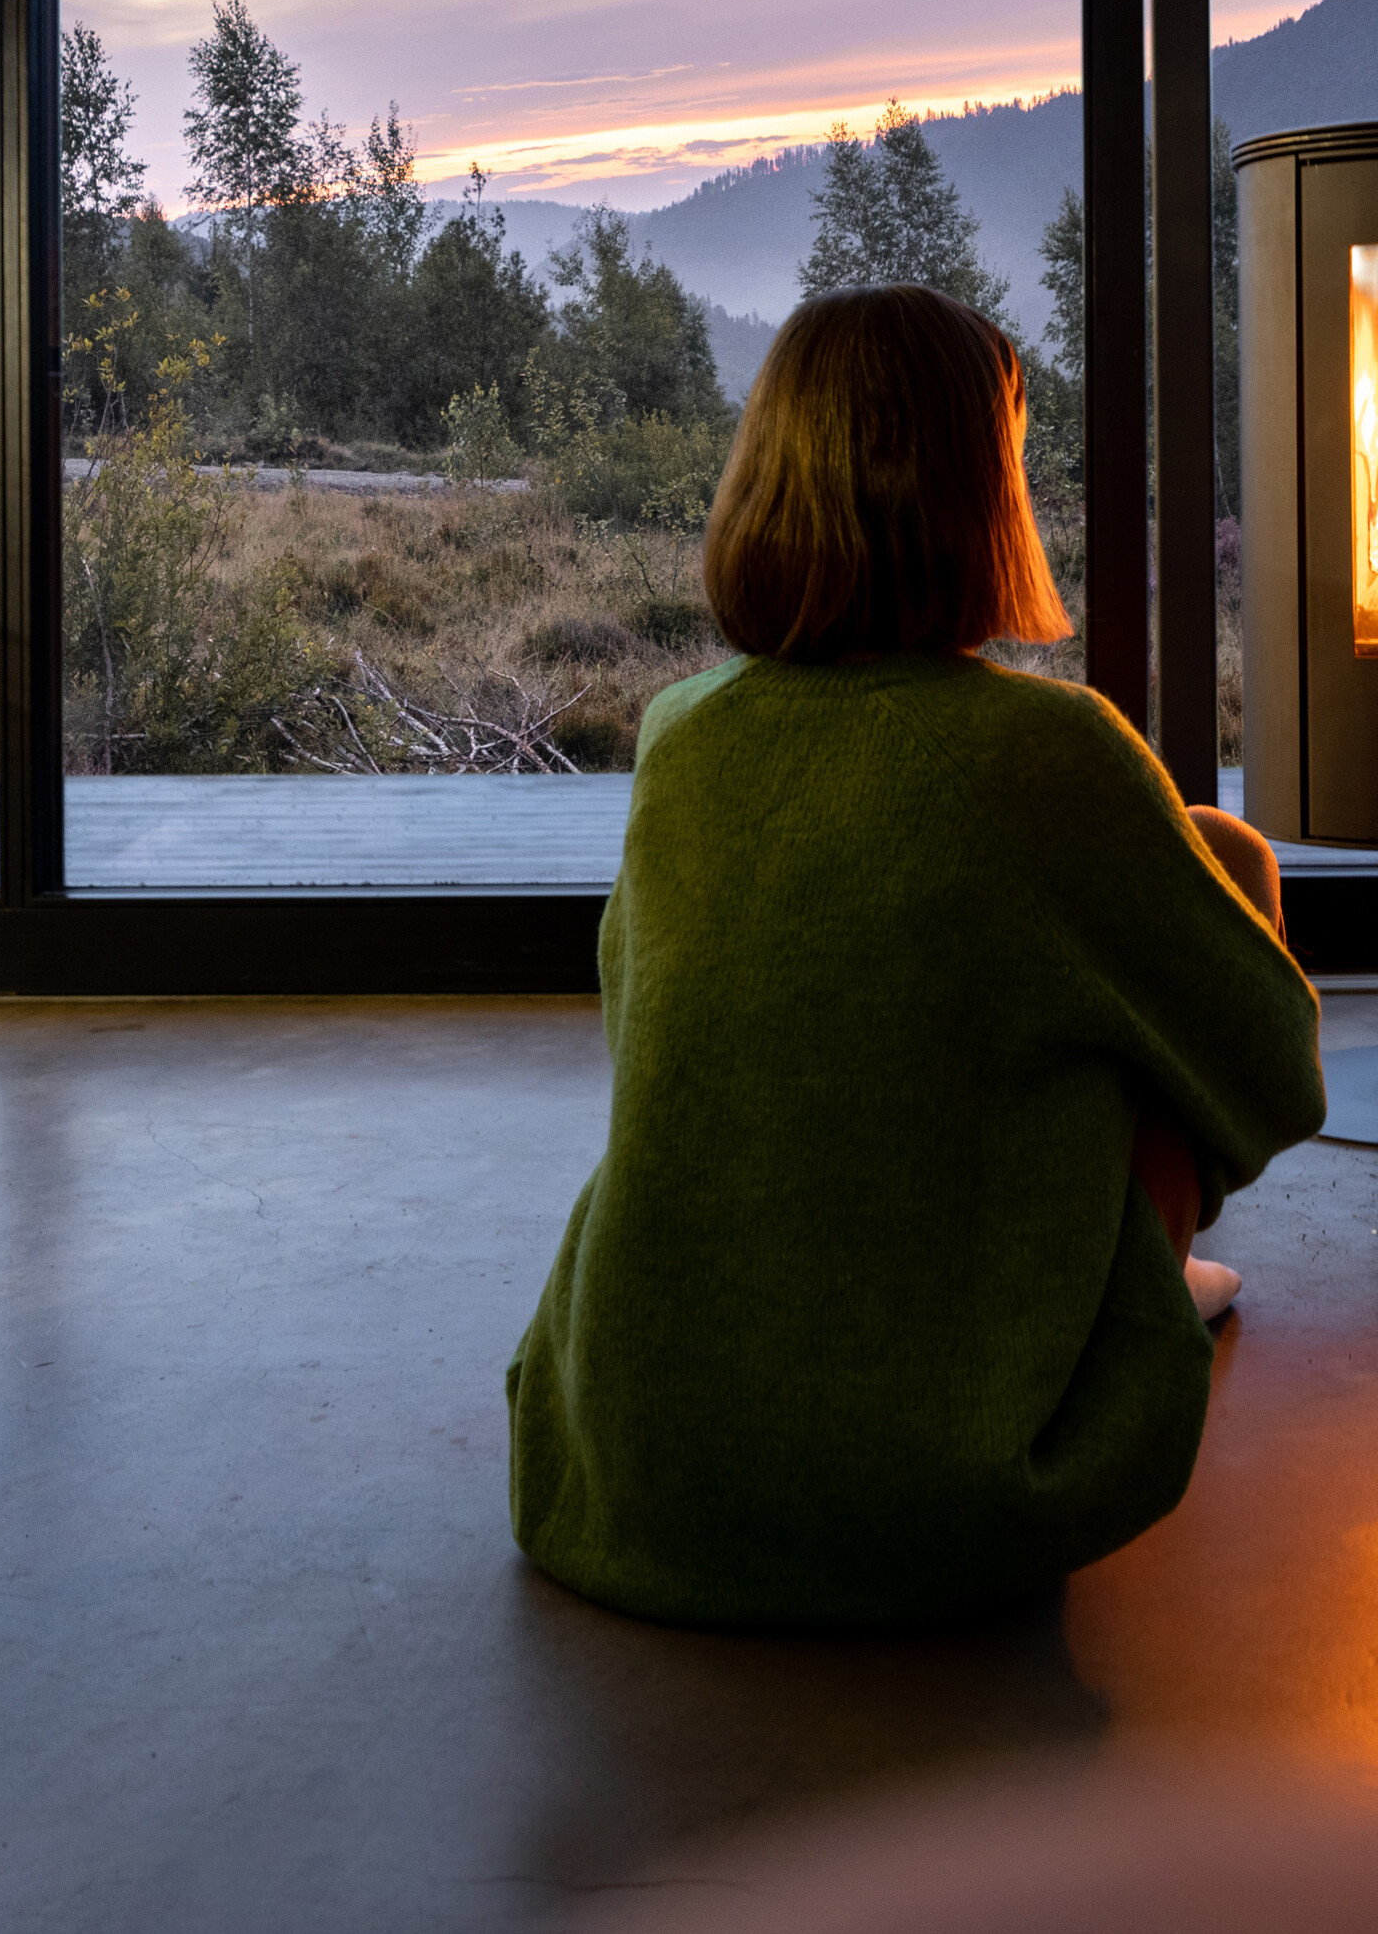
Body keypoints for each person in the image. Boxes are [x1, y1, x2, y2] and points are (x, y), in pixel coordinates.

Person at [506, 282, 1324, 1631]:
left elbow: (652, 1039)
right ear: (979, 490)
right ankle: (1123, 1307)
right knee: (1218, 864)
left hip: (630, 1472)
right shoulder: (1053, 756)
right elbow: (1272, 1071)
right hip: (956, 1498)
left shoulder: (682, 737)